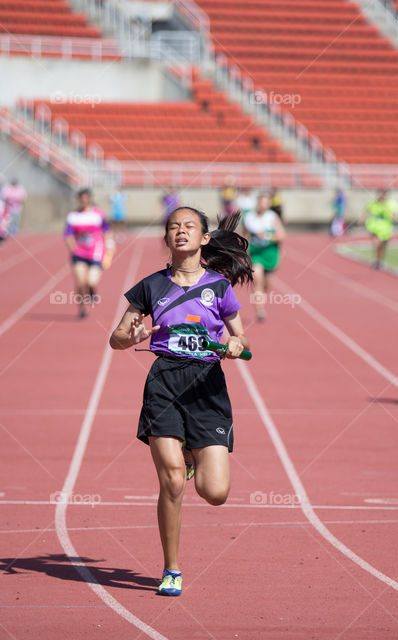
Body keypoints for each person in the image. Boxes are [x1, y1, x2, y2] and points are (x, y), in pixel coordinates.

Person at [109, 206, 252, 598]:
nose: (181, 231)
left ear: (204, 238)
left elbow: (241, 341)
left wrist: (235, 345)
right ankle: (171, 569)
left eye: (189, 226)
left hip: (208, 386)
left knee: (215, 492)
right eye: (174, 227)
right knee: (171, 480)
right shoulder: (150, 286)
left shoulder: (220, 288)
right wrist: (132, 336)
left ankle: (193, 457)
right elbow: (116, 339)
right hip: (166, 383)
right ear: (167, 239)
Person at [64, 188, 114, 319]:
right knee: (80, 283)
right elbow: (67, 235)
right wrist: (73, 248)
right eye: (81, 199)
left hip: (96, 253)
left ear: (90, 199)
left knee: (91, 282)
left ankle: (92, 291)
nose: (84, 201)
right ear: (79, 200)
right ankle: (82, 309)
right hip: (79, 253)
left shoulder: (98, 213)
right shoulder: (73, 215)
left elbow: (107, 230)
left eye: (86, 199)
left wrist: (109, 245)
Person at [243, 192, 285, 322]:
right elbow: (245, 235)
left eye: (266, 203)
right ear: (258, 202)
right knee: (257, 280)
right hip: (256, 255)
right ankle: (260, 310)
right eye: (261, 202)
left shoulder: (272, 217)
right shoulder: (249, 217)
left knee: (266, 284)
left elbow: (282, 236)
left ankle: (262, 294)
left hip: (270, 255)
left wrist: (266, 236)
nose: (263, 205)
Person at [364, 189, 397, 269]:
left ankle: (380, 261)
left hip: (385, 229)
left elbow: (394, 215)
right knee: (377, 244)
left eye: (383, 194)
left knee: (383, 246)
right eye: (380, 194)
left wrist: (393, 218)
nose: (382, 196)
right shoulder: (373, 204)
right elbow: (366, 211)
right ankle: (376, 261)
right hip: (374, 227)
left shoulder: (390, 204)